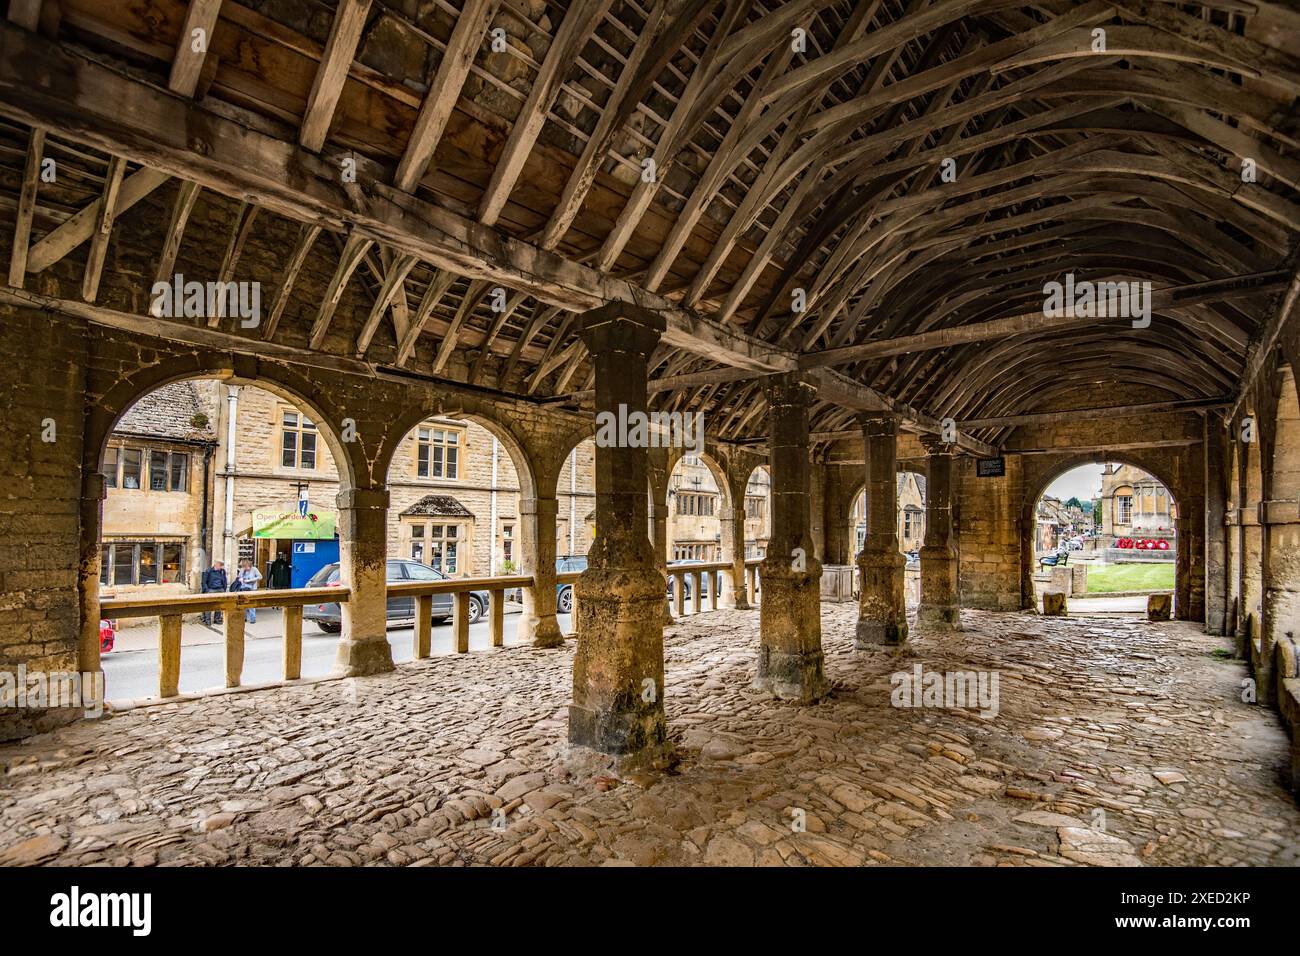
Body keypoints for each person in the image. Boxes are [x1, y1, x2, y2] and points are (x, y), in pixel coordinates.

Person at [232, 558, 263, 623]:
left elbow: (260, 577)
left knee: (251, 604)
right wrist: (241, 579)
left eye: (246, 567)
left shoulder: (254, 569)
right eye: (244, 567)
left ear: (249, 565)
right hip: (243, 588)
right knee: (243, 604)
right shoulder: (242, 570)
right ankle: (244, 618)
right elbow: (239, 577)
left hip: (252, 589)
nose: (245, 568)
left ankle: (252, 619)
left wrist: (250, 580)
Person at [200, 560, 227, 627]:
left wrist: (224, 589)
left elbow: (224, 580)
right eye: (220, 565)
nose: (221, 567)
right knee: (209, 606)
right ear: (216, 565)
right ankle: (207, 620)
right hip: (211, 589)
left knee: (219, 606)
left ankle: (217, 619)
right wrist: (207, 590)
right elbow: (204, 582)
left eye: (222, 565)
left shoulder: (222, 571)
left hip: (220, 589)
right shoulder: (208, 571)